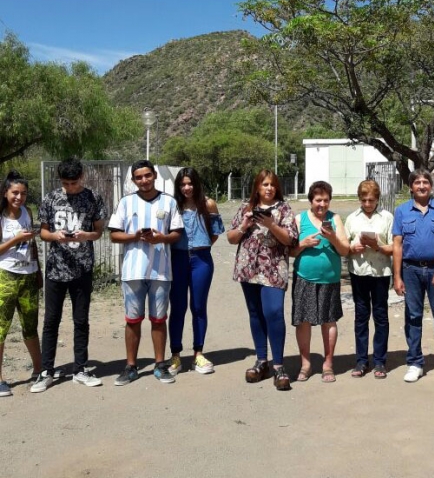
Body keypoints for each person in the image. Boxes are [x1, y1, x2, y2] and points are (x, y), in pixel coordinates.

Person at [31, 158, 108, 393]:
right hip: (55, 269)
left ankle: (80, 369)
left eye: (74, 182)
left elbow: (99, 231)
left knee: (81, 320)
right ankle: (46, 371)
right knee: (51, 321)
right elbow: (43, 232)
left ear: (81, 177)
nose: (70, 187)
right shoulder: (51, 198)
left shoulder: (93, 197)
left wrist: (86, 235)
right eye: (66, 183)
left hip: (82, 269)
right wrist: (55, 236)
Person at [108, 160, 183, 385]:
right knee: (133, 320)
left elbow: (177, 233)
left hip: (161, 271)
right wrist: (134, 236)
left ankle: (160, 364)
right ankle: (131, 366)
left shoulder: (168, 202)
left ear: (154, 176)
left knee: (159, 319)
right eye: (139, 177)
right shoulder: (126, 202)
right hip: (133, 272)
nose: (144, 180)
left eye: (147, 176)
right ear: (133, 180)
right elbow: (113, 234)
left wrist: (161, 238)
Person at [227, 170, 297, 391]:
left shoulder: (284, 210)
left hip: (274, 268)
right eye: (265, 184)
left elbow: (290, 240)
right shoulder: (245, 208)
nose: (269, 188)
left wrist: (271, 225)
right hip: (248, 268)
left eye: (273, 185)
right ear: (257, 187)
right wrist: (244, 226)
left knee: (274, 312)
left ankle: (278, 365)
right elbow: (231, 238)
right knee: (255, 313)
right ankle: (261, 361)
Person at [392, 169, 434, 384]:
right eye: (417, 182)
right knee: (413, 317)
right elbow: (397, 245)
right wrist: (397, 276)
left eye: (425, 182)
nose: (422, 186)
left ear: (431, 186)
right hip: (411, 270)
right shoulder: (402, 211)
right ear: (411, 187)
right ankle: (415, 363)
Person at [290, 181, 349, 383]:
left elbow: (344, 250)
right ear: (310, 201)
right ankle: (305, 364)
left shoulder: (335, 219)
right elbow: (289, 251)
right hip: (304, 278)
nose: (322, 204)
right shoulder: (299, 219)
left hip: (329, 279)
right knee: (303, 321)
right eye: (318, 200)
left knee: (328, 320)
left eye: (325, 200)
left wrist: (332, 238)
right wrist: (303, 244)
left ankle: (328, 363)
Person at [167, 167, 223, 377]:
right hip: (177, 259)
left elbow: (215, 233)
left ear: (197, 183)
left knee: (199, 307)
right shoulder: (174, 205)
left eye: (190, 183)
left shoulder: (208, 204)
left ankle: (198, 353)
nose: (187, 187)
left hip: (201, 260)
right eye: (182, 184)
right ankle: (175, 355)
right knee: (178, 307)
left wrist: (202, 245)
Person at [344, 180, 394, 379]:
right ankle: (361, 360)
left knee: (381, 316)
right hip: (359, 272)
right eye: (363, 200)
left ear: (377, 199)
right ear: (359, 199)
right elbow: (343, 245)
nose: (367, 204)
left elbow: (394, 246)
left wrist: (378, 247)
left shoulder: (387, 217)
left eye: (371, 200)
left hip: (381, 273)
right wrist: (351, 249)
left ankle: (380, 361)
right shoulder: (351, 219)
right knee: (361, 316)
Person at [0, 171, 43, 397]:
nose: (19, 197)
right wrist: (16, 239)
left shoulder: (27, 212)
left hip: (28, 275)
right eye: (15, 192)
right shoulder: (1, 217)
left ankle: (39, 370)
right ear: (5, 193)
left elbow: (32, 243)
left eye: (23, 193)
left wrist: (38, 271)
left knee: (30, 326)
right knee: (1, 329)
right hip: (5, 277)